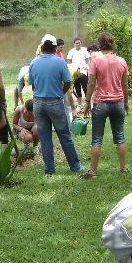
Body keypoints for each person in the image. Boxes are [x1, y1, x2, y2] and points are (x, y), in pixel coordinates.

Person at [29, 34, 84, 175]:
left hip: (38, 103)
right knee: (64, 135)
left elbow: (33, 86)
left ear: (42, 47)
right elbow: (67, 82)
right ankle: (76, 166)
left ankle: (49, 169)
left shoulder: (34, 63)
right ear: (54, 48)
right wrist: (60, 91)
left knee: (45, 137)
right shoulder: (60, 62)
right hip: (55, 101)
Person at [81, 32, 129, 178]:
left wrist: (87, 101)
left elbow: (90, 83)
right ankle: (123, 169)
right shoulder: (122, 61)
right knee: (120, 136)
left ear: (100, 45)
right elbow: (125, 84)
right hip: (118, 102)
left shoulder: (96, 61)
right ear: (112, 44)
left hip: (101, 102)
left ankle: (93, 172)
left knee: (97, 138)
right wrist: (126, 102)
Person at [67, 37, 91, 107]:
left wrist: (87, 67)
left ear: (81, 43)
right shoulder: (71, 51)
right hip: (75, 73)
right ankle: (79, 105)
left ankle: (88, 105)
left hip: (83, 72)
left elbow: (88, 59)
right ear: (74, 44)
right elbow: (69, 61)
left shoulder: (84, 50)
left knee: (86, 89)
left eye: (79, 43)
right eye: (76, 43)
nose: (78, 44)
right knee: (77, 89)